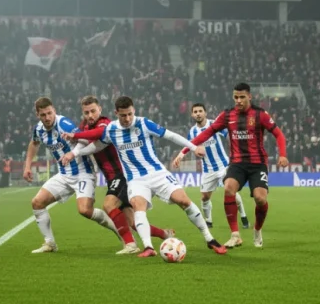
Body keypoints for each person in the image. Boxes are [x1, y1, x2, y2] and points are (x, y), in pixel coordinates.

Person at [70, 96, 228, 258]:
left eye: (130, 114)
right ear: (117, 113)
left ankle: (209, 239)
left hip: (157, 173)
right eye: (123, 115)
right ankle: (148, 247)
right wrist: (76, 153)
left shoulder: (143, 123)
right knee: (139, 206)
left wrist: (193, 148)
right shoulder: (111, 130)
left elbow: (171, 136)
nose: (127, 119)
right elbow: (98, 145)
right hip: (135, 179)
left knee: (184, 201)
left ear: (134, 111)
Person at [175, 83, 289, 249]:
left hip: (257, 164)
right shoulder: (228, 115)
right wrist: (184, 151)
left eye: (242, 97)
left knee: (260, 198)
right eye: (236, 97)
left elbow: (279, 134)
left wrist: (283, 154)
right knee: (228, 188)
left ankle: (257, 229)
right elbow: (206, 134)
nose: (239, 100)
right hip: (237, 163)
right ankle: (235, 235)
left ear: (249, 96)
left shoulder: (260, 114)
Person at [61, 96, 174, 255]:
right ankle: (164, 234)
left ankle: (130, 244)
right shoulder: (85, 126)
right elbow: (84, 139)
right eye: (86, 112)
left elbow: (96, 135)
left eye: (93, 111)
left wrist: (76, 142)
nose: (90, 115)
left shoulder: (105, 123)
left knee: (109, 205)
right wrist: (74, 150)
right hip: (111, 177)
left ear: (100, 109)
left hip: (121, 174)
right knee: (133, 223)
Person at [24, 97, 121, 254]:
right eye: (43, 115)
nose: (47, 118)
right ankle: (50, 243)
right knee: (37, 203)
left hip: (84, 173)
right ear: (38, 115)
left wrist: (72, 153)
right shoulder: (39, 129)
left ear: (54, 110)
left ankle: (119, 230)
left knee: (85, 210)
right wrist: (27, 166)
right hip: (63, 175)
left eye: (50, 113)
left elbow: (84, 139)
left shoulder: (64, 124)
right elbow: (34, 143)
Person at [186, 102, 249, 229]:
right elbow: (192, 147)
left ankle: (243, 216)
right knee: (204, 197)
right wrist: (197, 152)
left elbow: (229, 136)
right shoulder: (192, 132)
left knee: (231, 192)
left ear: (205, 113)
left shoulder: (214, 124)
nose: (198, 114)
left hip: (224, 166)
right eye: (195, 112)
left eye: (200, 111)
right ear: (192, 115)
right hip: (208, 169)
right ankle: (208, 221)